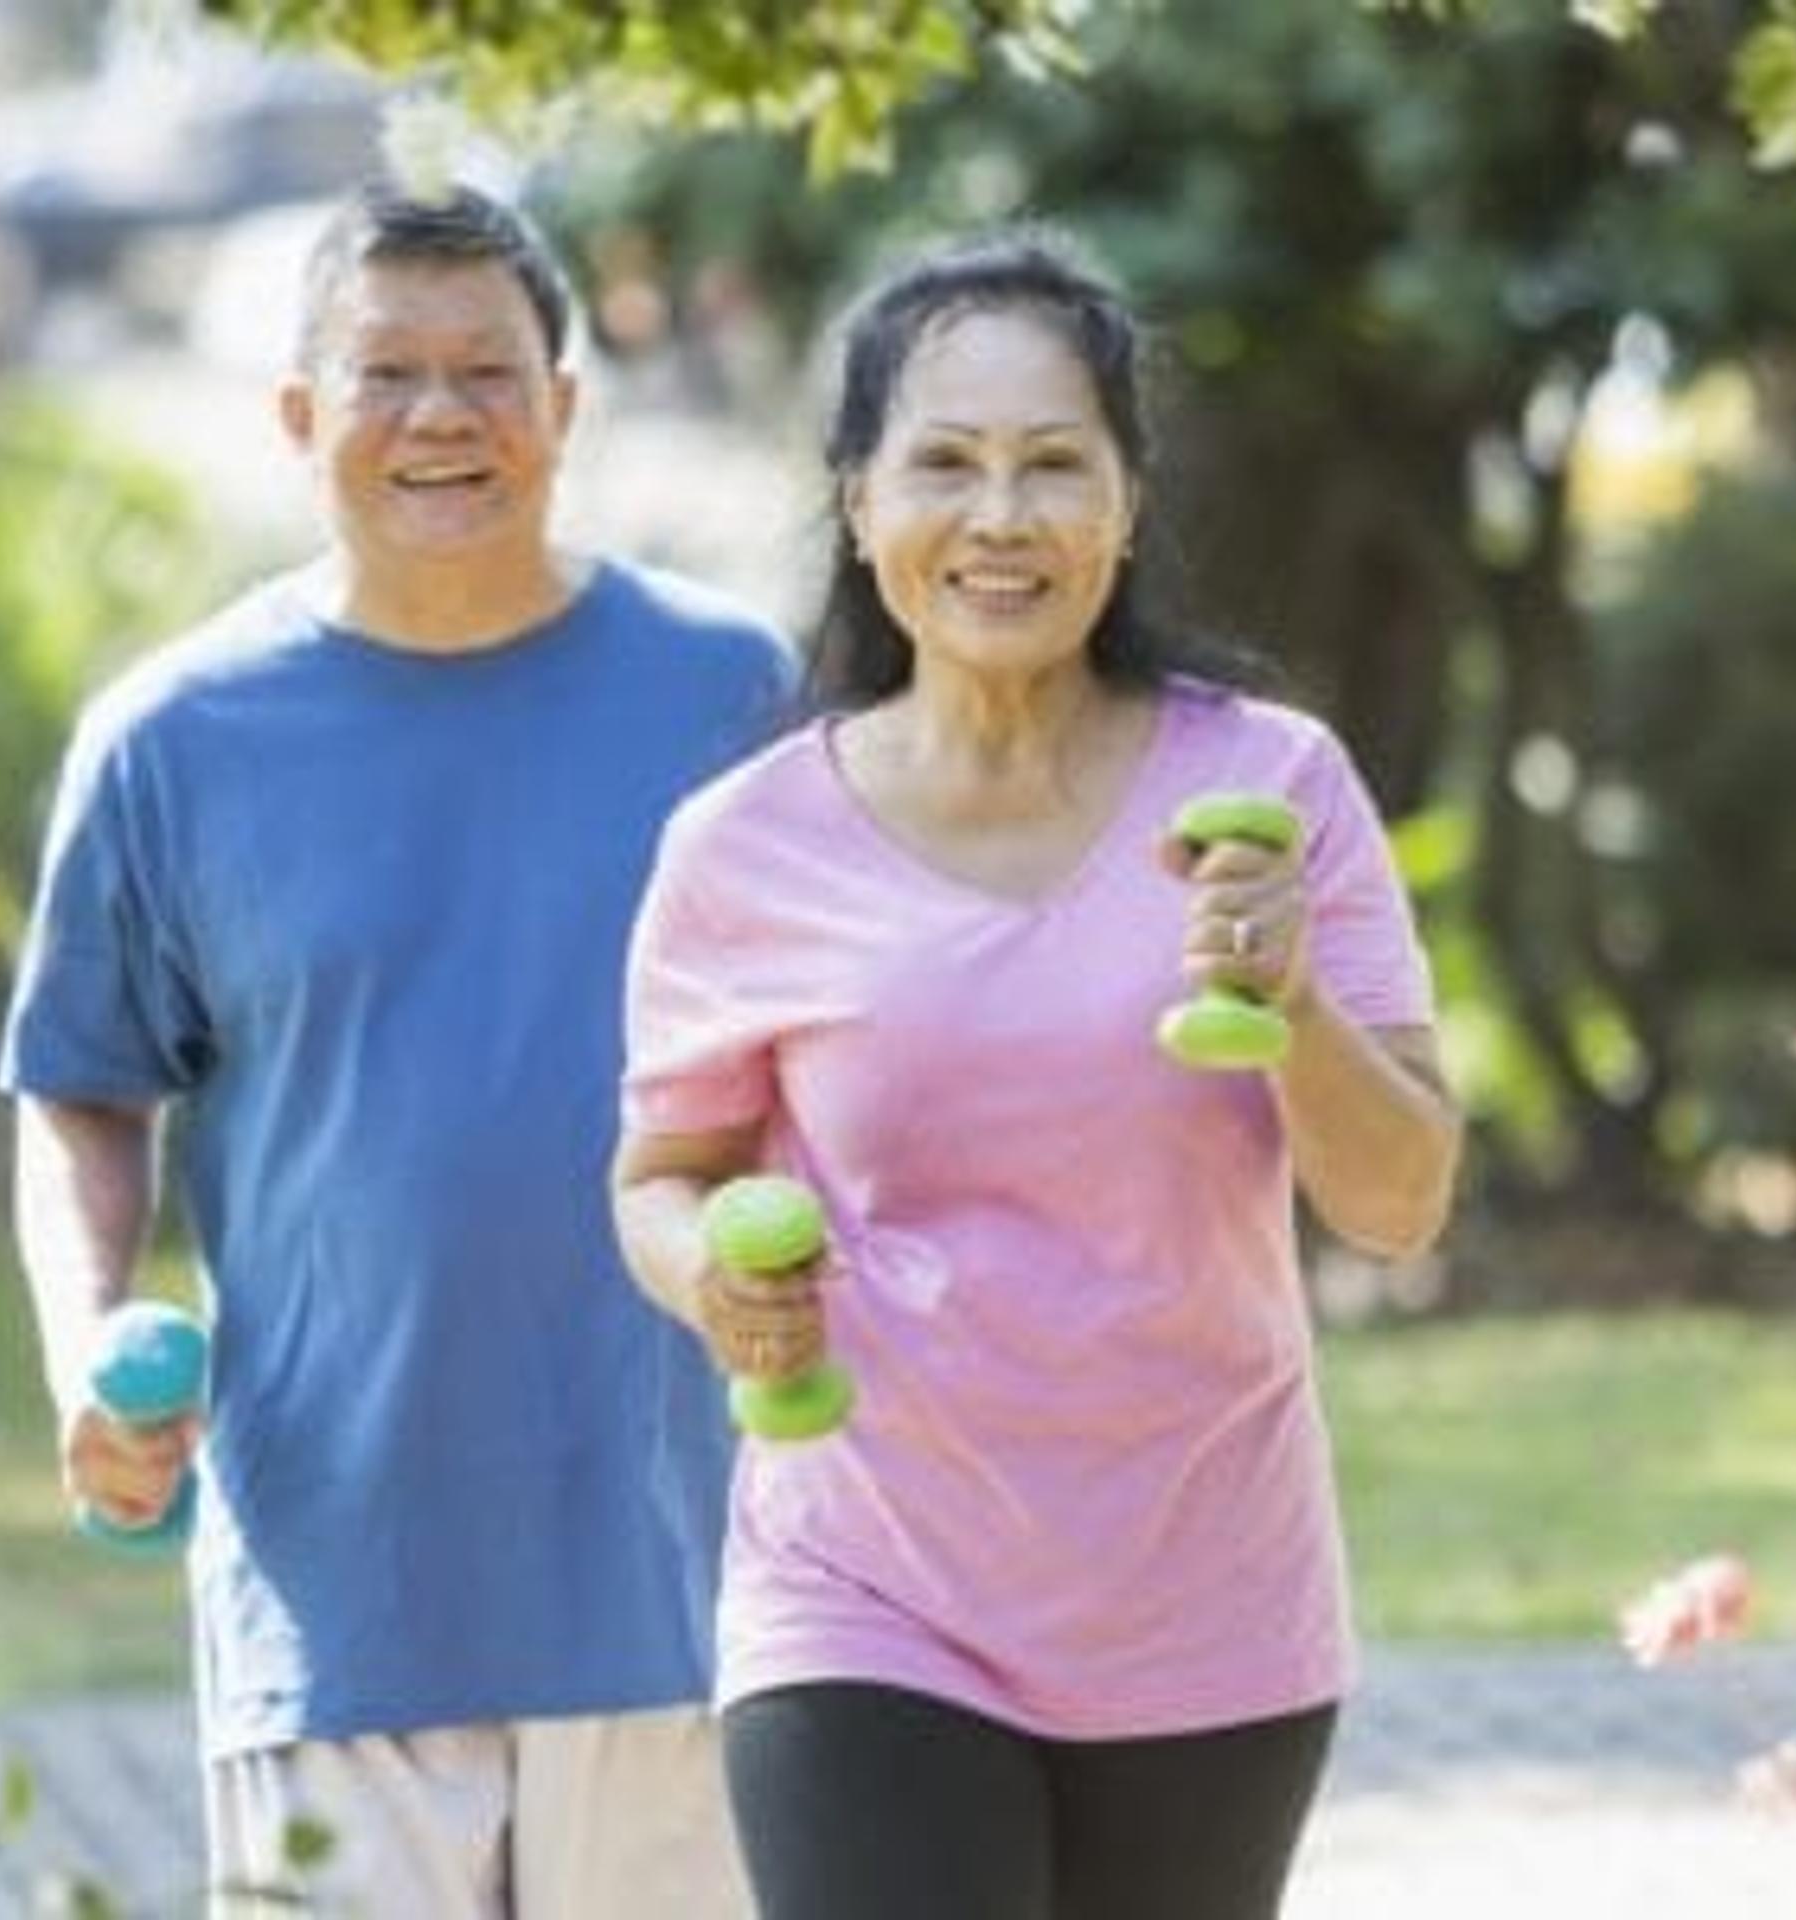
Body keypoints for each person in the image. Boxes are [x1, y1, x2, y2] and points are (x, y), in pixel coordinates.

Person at [608, 234, 1463, 1920]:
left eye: (1054, 463)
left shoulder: (1273, 789)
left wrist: (1289, 997)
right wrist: (712, 1274)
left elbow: (1399, 1203)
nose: (1000, 517)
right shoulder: (744, 847)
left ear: (1128, 505)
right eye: (944, 462)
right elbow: (659, 1171)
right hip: (863, 1581)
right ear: (859, 503)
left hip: (1204, 1592)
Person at [0, 181, 785, 1917]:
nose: (443, 417)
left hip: (684, 1575)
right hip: (334, 1592)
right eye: (387, 375)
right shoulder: (170, 741)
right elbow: (81, 1087)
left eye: (491, 374)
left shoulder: (729, 693)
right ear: (299, 417)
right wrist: (83, 1356)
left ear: (564, 410)